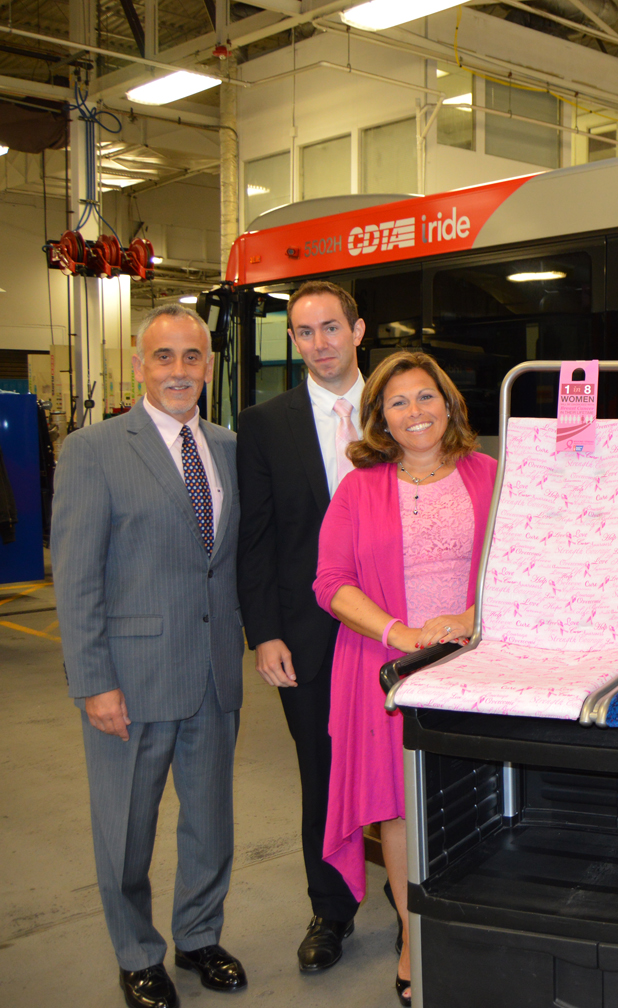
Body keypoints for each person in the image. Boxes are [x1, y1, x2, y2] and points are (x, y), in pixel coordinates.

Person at [53, 304, 248, 1008]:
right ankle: (137, 953)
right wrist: (93, 681)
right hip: (131, 684)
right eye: (163, 356)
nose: (178, 370)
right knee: (127, 831)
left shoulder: (229, 446)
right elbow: (76, 579)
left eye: (192, 356)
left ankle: (198, 936)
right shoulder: (94, 450)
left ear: (209, 366)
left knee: (211, 824)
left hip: (213, 674)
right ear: (139, 365)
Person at [313, 351, 497, 1006]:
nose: (414, 411)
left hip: (476, 665)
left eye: (425, 397)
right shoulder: (358, 488)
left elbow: (519, 563)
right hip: (385, 668)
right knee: (396, 805)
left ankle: (471, 931)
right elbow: (331, 583)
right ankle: (413, 937)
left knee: (476, 799)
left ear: (448, 404)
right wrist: (401, 632)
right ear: (380, 418)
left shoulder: (488, 474)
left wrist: (470, 618)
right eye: (398, 402)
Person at [236, 280, 367, 970]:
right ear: (293, 341)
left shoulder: (404, 407)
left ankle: (415, 901)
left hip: (400, 634)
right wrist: (265, 634)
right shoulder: (265, 424)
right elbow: (255, 541)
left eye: (331, 328)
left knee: (409, 770)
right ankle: (331, 910)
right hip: (307, 637)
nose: (320, 343)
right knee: (321, 774)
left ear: (358, 330)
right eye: (305, 332)